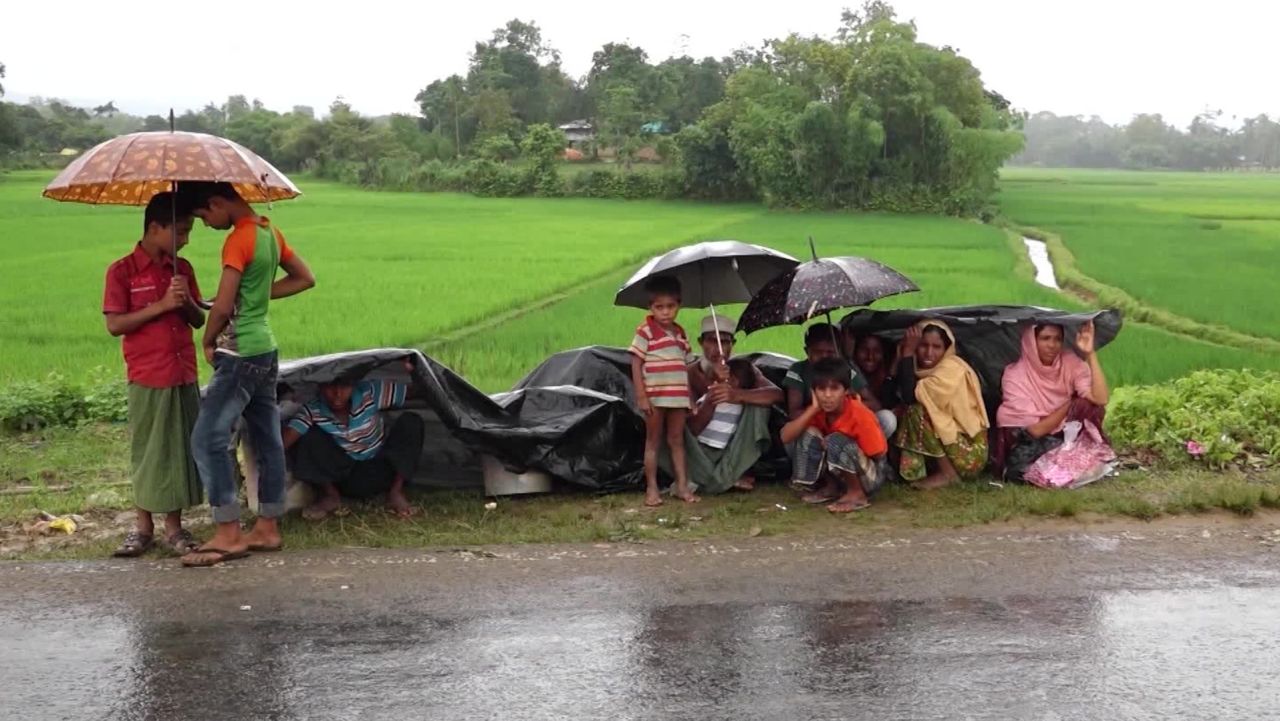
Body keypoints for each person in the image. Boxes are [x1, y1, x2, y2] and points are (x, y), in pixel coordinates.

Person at [180, 181, 316, 567]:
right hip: (266, 350)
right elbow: (305, 277)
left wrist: (207, 340)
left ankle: (228, 532)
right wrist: (253, 296)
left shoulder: (239, 239)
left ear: (217, 202)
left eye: (204, 216)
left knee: (207, 439)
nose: (206, 224)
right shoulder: (268, 231)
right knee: (267, 438)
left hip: (239, 353)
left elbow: (222, 306)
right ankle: (268, 528)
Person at [103, 192, 206, 557]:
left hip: (183, 371)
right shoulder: (122, 271)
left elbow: (199, 319)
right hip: (148, 373)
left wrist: (187, 302)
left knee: (179, 448)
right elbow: (115, 324)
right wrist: (161, 306)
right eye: (180, 231)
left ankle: (175, 527)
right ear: (154, 228)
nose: (185, 240)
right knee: (148, 449)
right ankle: (142, 527)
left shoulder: (183, 270)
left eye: (188, 231)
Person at [283, 369, 426, 519]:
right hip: (345, 476)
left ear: (353, 385)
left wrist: (414, 370)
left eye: (344, 387)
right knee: (309, 435)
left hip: (382, 468)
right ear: (320, 386)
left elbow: (417, 391)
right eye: (330, 387)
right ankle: (331, 496)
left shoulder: (369, 392)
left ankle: (396, 492)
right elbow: (286, 440)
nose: (337, 394)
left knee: (411, 421)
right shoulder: (312, 410)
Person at [676, 313, 784, 492]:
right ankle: (725, 479)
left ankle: (718, 477)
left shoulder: (744, 369)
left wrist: (737, 395)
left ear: (732, 345)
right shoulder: (688, 374)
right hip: (699, 451)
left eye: (725, 342)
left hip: (733, 446)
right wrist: (711, 399)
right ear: (701, 343)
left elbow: (776, 395)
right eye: (711, 341)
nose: (718, 348)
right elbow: (692, 429)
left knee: (759, 406)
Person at [994, 321, 1111, 481]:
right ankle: (1067, 459)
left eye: (1057, 339)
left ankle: (1071, 457)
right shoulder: (1015, 375)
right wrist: (1069, 404)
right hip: (1027, 440)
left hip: (1059, 431)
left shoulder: (1069, 362)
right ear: (1031, 342)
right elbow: (1034, 431)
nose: (1052, 345)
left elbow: (1101, 398)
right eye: (1045, 338)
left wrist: (1090, 354)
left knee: (1089, 406)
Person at [780, 357, 889, 513]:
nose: (828, 395)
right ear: (814, 391)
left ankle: (857, 493)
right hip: (841, 472)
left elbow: (878, 453)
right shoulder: (820, 411)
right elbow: (785, 436)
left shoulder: (859, 414)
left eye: (834, 389)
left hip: (870, 476)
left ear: (846, 391)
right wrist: (812, 409)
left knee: (835, 440)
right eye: (822, 389)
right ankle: (831, 487)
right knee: (810, 433)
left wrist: (841, 444)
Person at [893, 320, 990, 489]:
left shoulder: (950, 369)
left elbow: (910, 396)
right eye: (923, 345)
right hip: (955, 450)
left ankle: (948, 474)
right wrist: (899, 361)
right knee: (901, 411)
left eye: (937, 347)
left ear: (947, 349)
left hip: (970, 455)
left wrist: (908, 352)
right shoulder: (923, 374)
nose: (929, 353)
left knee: (917, 411)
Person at [629, 275, 698, 506]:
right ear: (651, 307)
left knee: (677, 440)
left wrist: (690, 397)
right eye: (659, 307)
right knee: (653, 441)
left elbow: (686, 366)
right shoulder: (645, 331)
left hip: (677, 397)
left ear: (678, 305)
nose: (665, 312)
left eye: (670, 307)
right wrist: (641, 396)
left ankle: (682, 486)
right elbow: (636, 363)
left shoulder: (680, 333)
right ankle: (652, 488)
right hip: (655, 397)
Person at [784, 323, 895, 438]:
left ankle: (855, 451)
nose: (824, 357)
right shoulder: (798, 370)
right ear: (807, 352)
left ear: (838, 352)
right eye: (818, 352)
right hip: (815, 429)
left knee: (887, 418)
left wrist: (843, 406)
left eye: (830, 352)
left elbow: (875, 404)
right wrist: (824, 408)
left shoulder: (845, 369)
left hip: (846, 428)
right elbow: (794, 413)